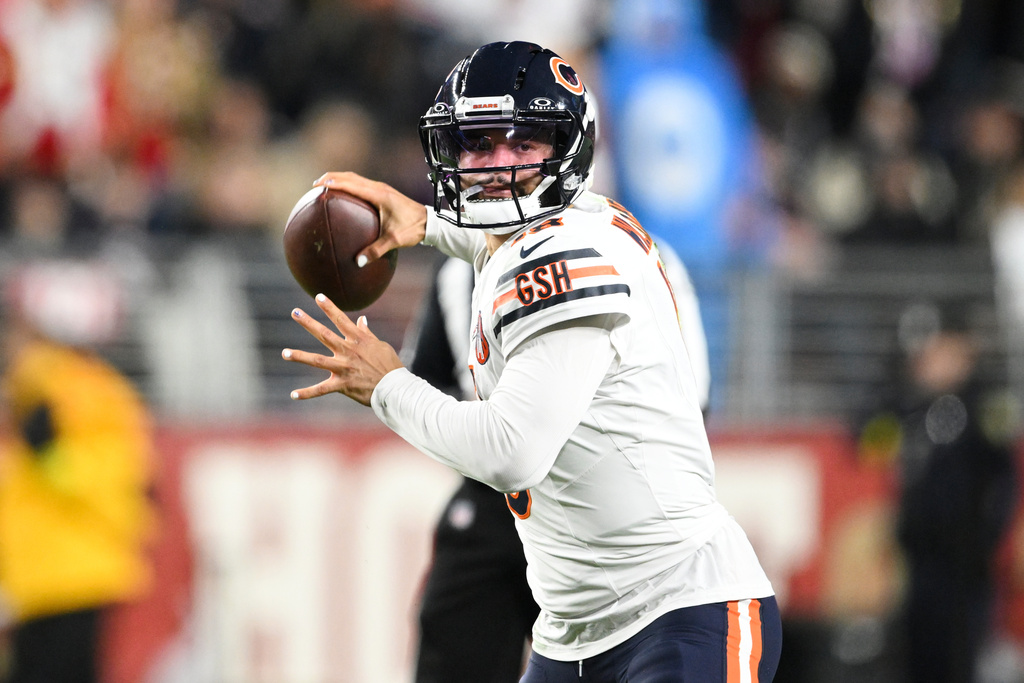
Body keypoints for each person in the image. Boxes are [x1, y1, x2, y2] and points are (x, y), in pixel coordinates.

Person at [282, 41, 780, 681]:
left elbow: (511, 451)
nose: (497, 166)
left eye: (522, 145)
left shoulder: (565, 260)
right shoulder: (555, 225)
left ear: (564, 150)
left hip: (681, 613)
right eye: (479, 144)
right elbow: (507, 233)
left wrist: (388, 385)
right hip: (571, 636)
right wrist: (426, 224)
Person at [405, 234, 711, 682]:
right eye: (480, 156)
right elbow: (427, 381)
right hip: (497, 504)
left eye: (522, 156)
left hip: (605, 511)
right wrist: (490, 438)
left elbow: (693, 398)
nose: (500, 169)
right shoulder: (459, 267)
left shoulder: (638, 252)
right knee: (454, 636)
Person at [0, 271, 157, 683]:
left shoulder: (59, 386)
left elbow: (100, 476)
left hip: (65, 572)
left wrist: (48, 455)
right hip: (63, 572)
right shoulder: (100, 389)